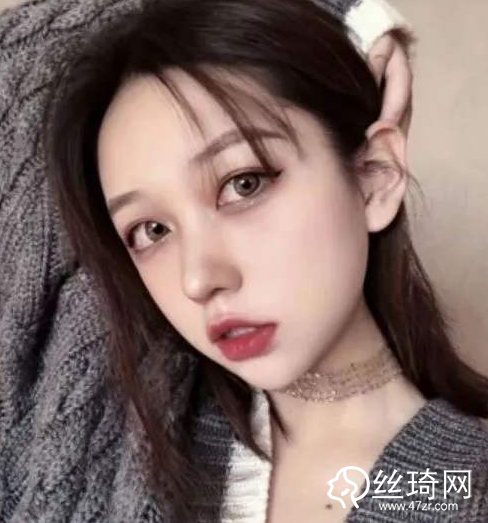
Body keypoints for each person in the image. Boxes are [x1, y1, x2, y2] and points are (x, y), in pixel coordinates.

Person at [0, 2, 480, 523]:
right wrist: (351, 12)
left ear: (375, 176)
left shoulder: (459, 489)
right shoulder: (101, 425)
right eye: (151, 231)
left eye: (243, 184)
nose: (198, 278)